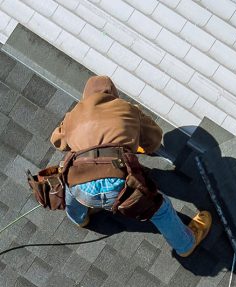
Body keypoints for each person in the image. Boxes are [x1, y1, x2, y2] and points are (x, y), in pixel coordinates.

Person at [50, 76, 212, 257]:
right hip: (118, 186)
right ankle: (185, 244)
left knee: (69, 181)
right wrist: (134, 142)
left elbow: (57, 142)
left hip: (81, 186)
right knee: (160, 207)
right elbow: (154, 140)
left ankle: (79, 218)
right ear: (113, 93)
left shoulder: (72, 117)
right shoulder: (128, 109)